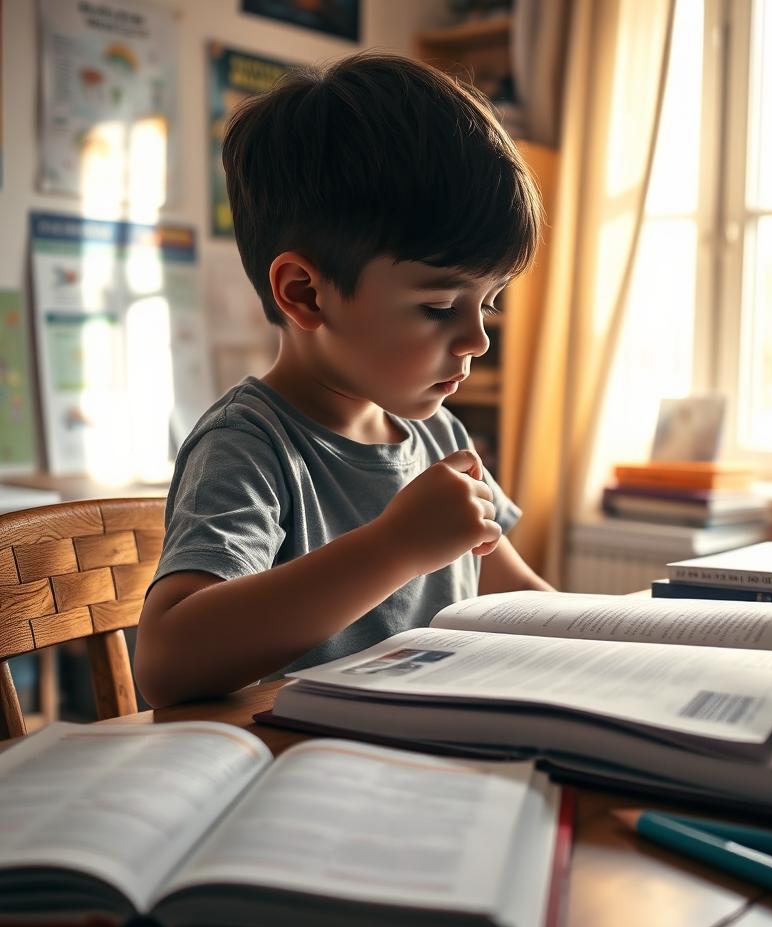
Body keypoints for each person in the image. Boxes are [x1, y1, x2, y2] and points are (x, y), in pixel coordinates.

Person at [135, 53, 553, 709]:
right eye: (439, 307)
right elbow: (168, 663)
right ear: (306, 294)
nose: (477, 339)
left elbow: (520, 597)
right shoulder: (248, 446)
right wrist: (397, 546)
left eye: (490, 301)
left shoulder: (438, 433)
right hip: (291, 777)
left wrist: (617, 646)